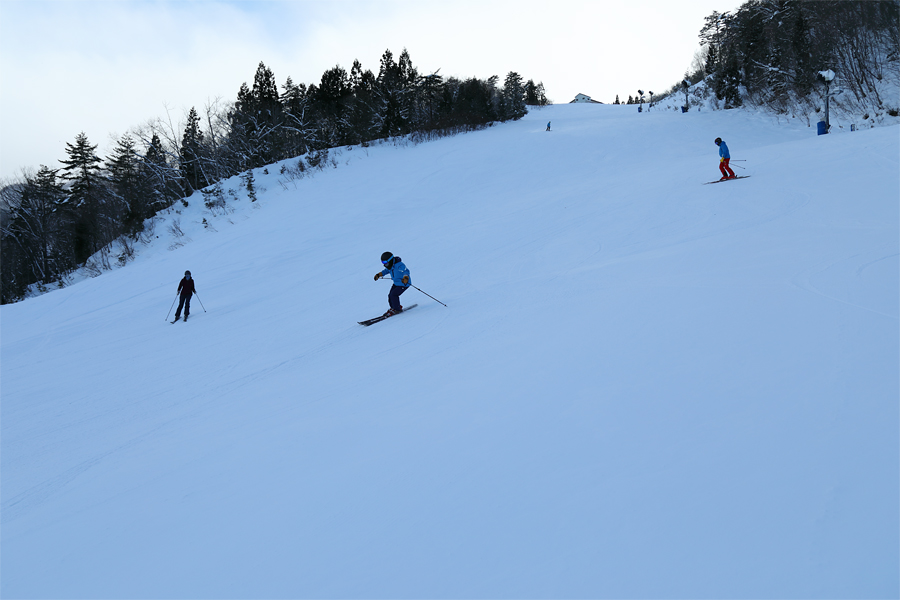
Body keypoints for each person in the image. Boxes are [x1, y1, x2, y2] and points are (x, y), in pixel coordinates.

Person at [374, 252, 411, 317]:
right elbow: (386, 271)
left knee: (393, 295)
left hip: (404, 284)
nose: (385, 264)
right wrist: (379, 274)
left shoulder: (399, 265)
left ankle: (397, 309)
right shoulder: (390, 266)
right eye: (383, 263)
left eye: (385, 262)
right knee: (390, 295)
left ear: (390, 260)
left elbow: (406, 271)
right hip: (396, 283)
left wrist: (405, 277)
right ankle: (394, 307)